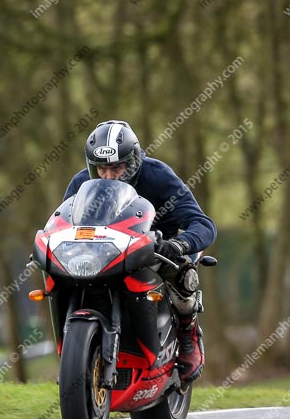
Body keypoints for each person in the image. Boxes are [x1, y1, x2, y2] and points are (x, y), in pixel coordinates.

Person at [63, 119, 217, 383]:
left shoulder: (157, 176)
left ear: (132, 161)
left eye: (117, 168)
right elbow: (62, 221)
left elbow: (203, 224)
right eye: (102, 169)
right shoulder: (81, 183)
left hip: (157, 248)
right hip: (103, 253)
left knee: (182, 271)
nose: (109, 176)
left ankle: (187, 331)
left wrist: (177, 244)